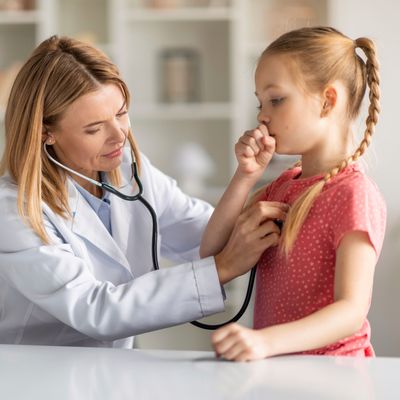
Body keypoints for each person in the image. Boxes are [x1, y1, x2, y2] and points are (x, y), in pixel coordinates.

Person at [0, 36, 283, 347]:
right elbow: (94, 309)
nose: (119, 135)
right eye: (94, 128)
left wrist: (245, 177)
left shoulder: (130, 172)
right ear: (46, 132)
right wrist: (222, 269)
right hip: (34, 376)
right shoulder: (14, 209)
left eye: (121, 114)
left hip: (107, 370)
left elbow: (206, 236)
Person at [200, 26, 387, 361]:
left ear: (328, 101)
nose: (262, 115)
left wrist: (265, 342)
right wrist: (244, 177)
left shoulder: (353, 194)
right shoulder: (284, 185)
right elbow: (212, 250)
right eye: (260, 102)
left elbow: (351, 311)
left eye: (276, 99)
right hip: (283, 371)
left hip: (334, 375)